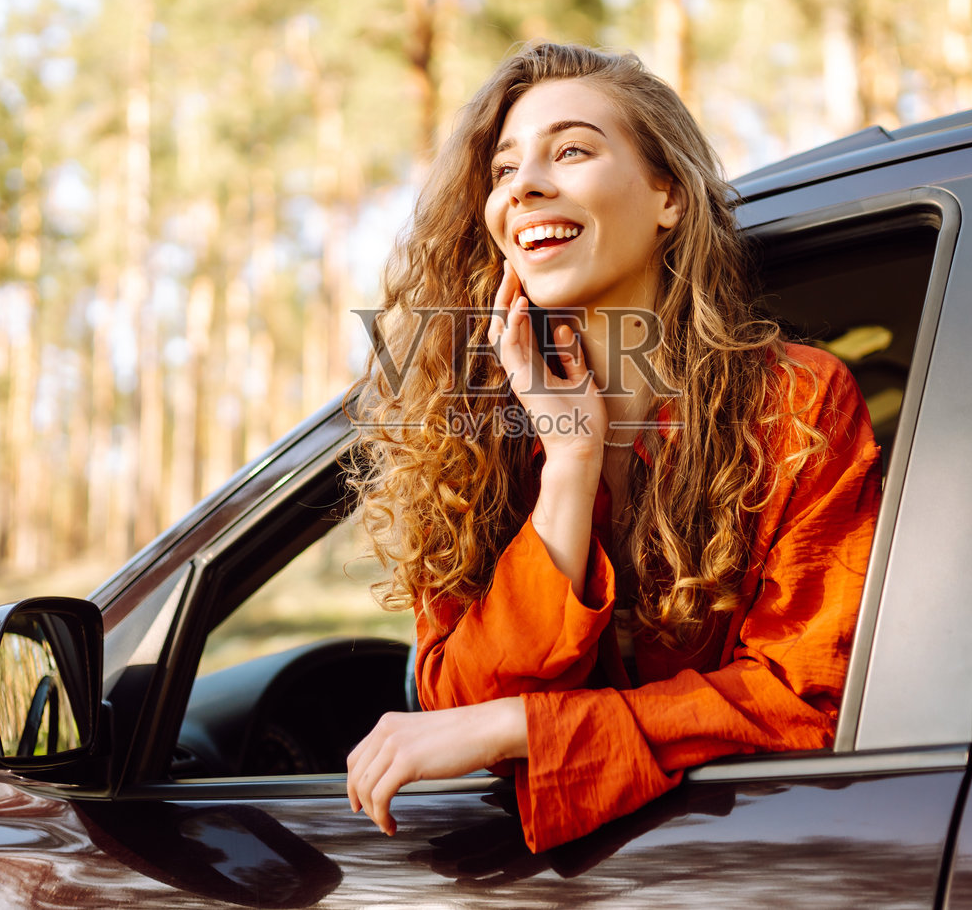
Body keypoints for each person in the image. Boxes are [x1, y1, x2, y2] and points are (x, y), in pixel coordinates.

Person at [342, 42, 881, 853]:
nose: (523, 185)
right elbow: (457, 704)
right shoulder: (468, 436)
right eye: (503, 170)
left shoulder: (795, 402)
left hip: (751, 863)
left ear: (667, 195)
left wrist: (523, 727)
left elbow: (806, 700)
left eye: (571, 150)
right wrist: (570, 464)